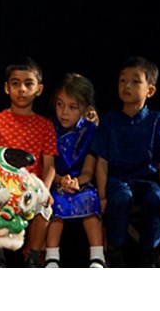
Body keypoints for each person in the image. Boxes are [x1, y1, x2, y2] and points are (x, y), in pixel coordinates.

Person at [93, 56, 160, 267]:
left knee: (155, 198)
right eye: (122, 81)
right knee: (121, 196)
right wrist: (103, 195)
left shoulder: (157, 120)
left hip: (145, 179)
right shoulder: (110, 121)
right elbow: (102, 162)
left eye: (135, 81)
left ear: (149, 91)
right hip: (118, 179)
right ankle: (115, 251)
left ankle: (149, 256)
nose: (127, 86)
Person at [0, 56, 57, 267]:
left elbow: (50, 163)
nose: (22, 90)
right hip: (1, 183)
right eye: (15, 84)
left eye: (28, 84)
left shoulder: (45, 125)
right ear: (7, 88)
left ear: (39, 89)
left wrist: (45, 189)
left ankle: (32, 259)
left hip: (32, 186)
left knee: (44, 207)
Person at [43, 73, 105, 268]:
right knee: (54, 202)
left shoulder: (89, 131)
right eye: (60, 104)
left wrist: (79, 181)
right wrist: (61, 181)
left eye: (72, 107)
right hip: (57, 181)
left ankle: (97, 256)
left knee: (90, 199)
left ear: (86, 109)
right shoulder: (49, 127)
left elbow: (89, 169)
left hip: (82, 184)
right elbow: (49, 165)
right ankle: (51, 257)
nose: (64, 112)